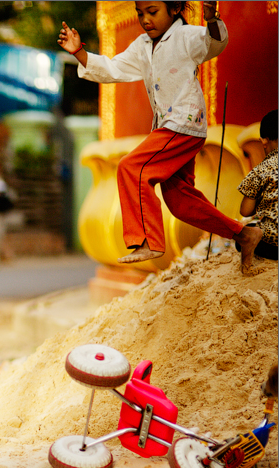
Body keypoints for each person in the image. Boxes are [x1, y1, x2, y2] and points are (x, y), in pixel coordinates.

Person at [59, 1, 263, 273]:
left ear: (176, 8)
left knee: (133, 168)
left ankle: (149, 239)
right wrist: (79, 52)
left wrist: (212, 18)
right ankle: (244, 234)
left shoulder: (187, 36)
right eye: (140, 14)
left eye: (152, 12)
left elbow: (214, 44)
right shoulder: (142, 46)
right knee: (181, 202)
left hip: (183, 124)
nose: (145, 20)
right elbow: (112, 68)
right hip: (167, 128)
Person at [236, 109, 277, 261]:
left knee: (245, 234)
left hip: (273, 246)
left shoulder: (261, 170)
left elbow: (245, 211)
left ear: (264, 141)